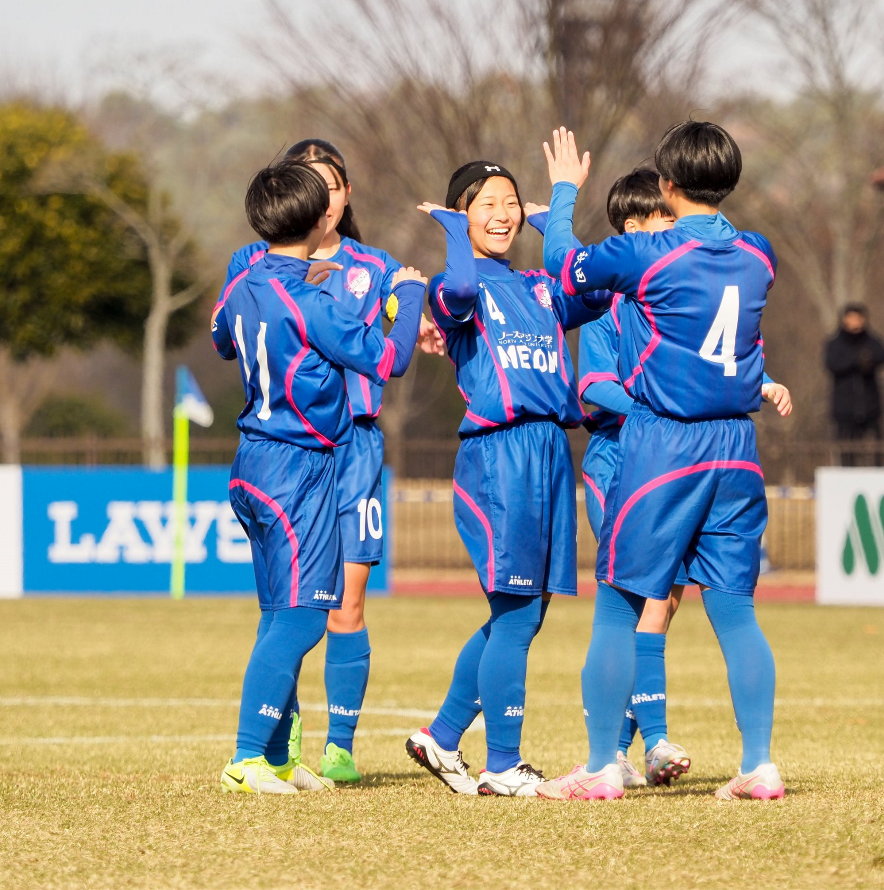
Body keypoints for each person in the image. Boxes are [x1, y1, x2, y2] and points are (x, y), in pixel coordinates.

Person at [535, 121, 783, 801]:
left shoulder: (647, 253)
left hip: (665, 443)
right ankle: (759, 764)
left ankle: (599, 768)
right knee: (734, 609)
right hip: (737, 446)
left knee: (617, 603)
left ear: (667, 185)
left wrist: (562, 194)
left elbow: (564, 264)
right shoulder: (759, 254)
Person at [217, 139, 443, 785]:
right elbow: (389, 359)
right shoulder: (314, 299)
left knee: (283, 612)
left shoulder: (247, 281)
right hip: (298, 463)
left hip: (256, 457)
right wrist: (408, 298)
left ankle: (283, 758)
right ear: (317, 215)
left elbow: (222, 340)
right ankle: (246, 758)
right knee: (304, 614)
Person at [403, 158, 610, 797]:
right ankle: (502, 763)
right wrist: (448, 231)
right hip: (499, 456)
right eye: (486, 202)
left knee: (522, 611)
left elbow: (597, 287)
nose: (503, 212)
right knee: (516, 613)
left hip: (549, 450)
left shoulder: (538, 286)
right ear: (463, 213)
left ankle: (441, 736)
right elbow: (459, 293)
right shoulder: (453, 284)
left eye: (511, 202)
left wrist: (556, 216)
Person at [823, 305, 884, 465]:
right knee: (846, 448)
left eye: (858, 318)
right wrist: (855, 361)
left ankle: (878, 472)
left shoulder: (870, 340)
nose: (855, 323)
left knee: (876, 446)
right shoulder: (835, 343)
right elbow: (832, 364)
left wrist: (868, 360)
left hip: (870, 404)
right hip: (845, 406)